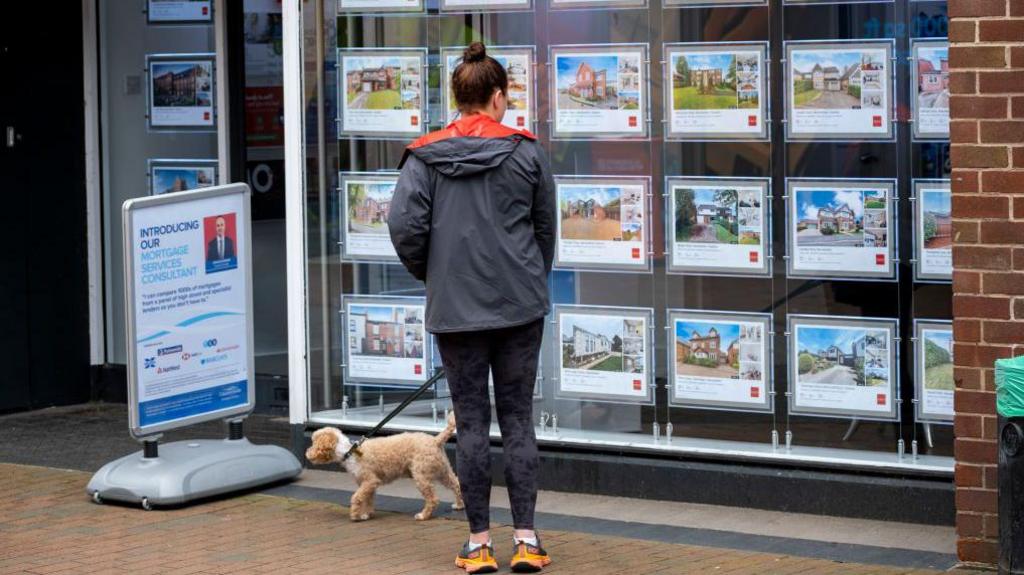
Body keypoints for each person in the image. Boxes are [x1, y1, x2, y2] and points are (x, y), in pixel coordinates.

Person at [389, 41, 555, 574]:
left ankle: (479, 544)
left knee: (472, 423)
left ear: (458, 97)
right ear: (498, 97)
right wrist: (529, 276)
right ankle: (527, 540)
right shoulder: (526, 151)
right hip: (519, 306)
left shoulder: (424, 155)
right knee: (519, 419)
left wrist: (434, 275)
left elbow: (404, 228)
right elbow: (545, 228)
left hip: (456, 308)